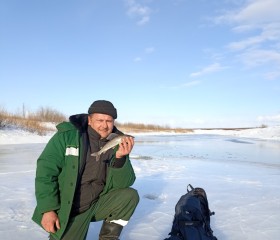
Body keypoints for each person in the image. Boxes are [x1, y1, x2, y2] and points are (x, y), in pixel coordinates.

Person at [32, 100, 139, 240]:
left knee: (129, 196)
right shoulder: (67, 136)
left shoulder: (117, 142)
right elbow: (45, 173)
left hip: (96, 203)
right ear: (89, 120)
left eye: (109, 121)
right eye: (100, 120)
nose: (104, 125)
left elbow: (124, 183)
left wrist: (120, 158)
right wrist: (48, 209)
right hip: (71, 209)